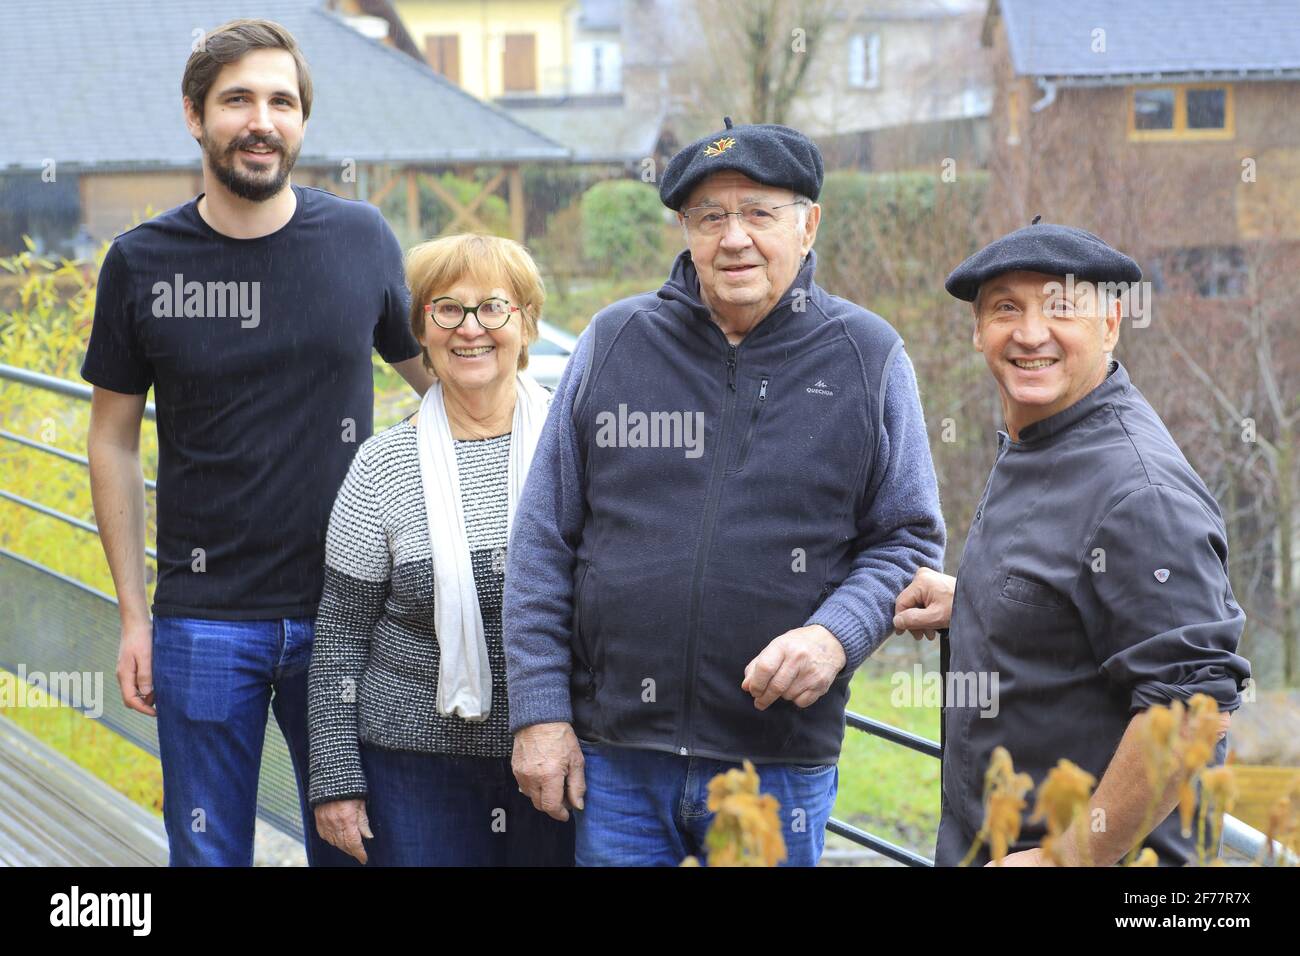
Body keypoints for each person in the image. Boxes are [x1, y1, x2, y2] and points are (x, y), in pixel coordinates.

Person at [503, 118, 945, 866]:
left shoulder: (867, 355)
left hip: (774, 763)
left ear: (809, 224)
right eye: (711, 216)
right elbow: (543, 541)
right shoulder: (614, 341)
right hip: (615, 759)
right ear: (686, 230)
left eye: (759, 213)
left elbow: (906, 539)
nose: (733, 238)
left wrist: (835, 634)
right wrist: (541, 714)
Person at [82, 18, 434, 866]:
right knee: (206, 854)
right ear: (195, 116)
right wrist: (136, 617)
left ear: (303, 122)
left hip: (351, 616)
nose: (262, 120)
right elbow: (113, 443)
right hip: (204, 624)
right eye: (237, 99)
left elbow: (448, 390)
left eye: (283, 100)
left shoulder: (362, 239)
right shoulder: (141, 263)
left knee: (358, 851)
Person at [894, 221, 1251, 866]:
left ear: (1111, 324)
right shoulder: (1043, 437)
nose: (1031, 333)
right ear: (978, 330)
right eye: (1007, 307)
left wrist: (1070, 856)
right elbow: (1076, 591)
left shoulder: (1140, 493)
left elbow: (1193, 710)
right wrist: (980, 600)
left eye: (1061, 307)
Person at [307, 234, 574, 866]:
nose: (470, 329)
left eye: (493, 308)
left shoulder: (576, 445)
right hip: (413, 769)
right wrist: (335, 776)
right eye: (446, 309)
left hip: (559, 749)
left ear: (527, 323)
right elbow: (341, 632)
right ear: (422, 331)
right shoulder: (381, 466)